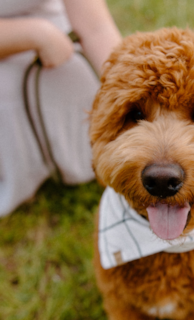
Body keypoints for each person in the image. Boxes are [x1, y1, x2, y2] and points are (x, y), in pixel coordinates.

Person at [0, 0, 122, 217]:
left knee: (77, 82)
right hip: (28, 36)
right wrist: (36, 33)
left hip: (58, 35)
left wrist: (125, 85)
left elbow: (96, 28)